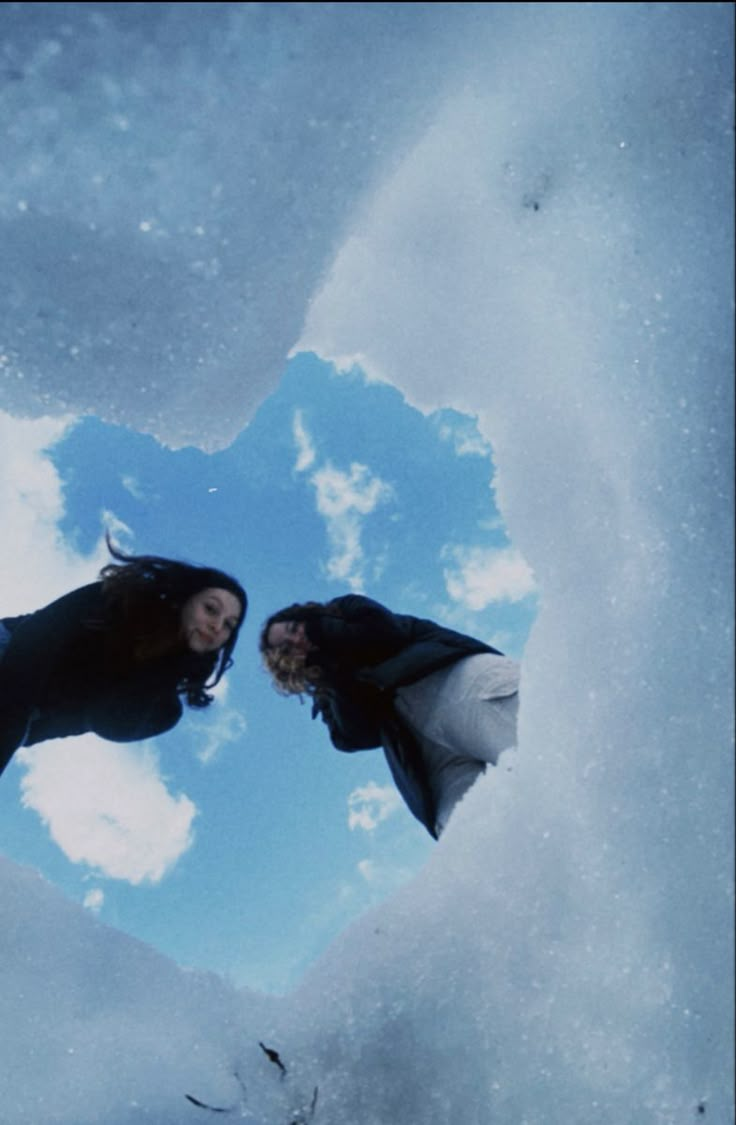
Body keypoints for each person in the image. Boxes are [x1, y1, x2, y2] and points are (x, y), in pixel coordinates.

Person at [260, 593, 520, 838]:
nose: (295, 640)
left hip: (447, 679)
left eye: (294, 629)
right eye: (285, 647)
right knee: (477, 838)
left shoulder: (344, 609)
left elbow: (384, 634)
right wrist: (331, 673)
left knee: (537, 743)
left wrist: (321, 631)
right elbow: (356, 737)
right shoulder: (325, 689)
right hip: (417, 750)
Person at [0, 539, 247, 776]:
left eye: (228, 625)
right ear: (186, 600)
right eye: (211, 609)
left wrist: (172, 663)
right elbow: (31, 643)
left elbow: (108, 722)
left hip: (21, 720)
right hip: (9, 655)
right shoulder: (116, 599)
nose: (217, 626)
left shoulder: (164, 710)